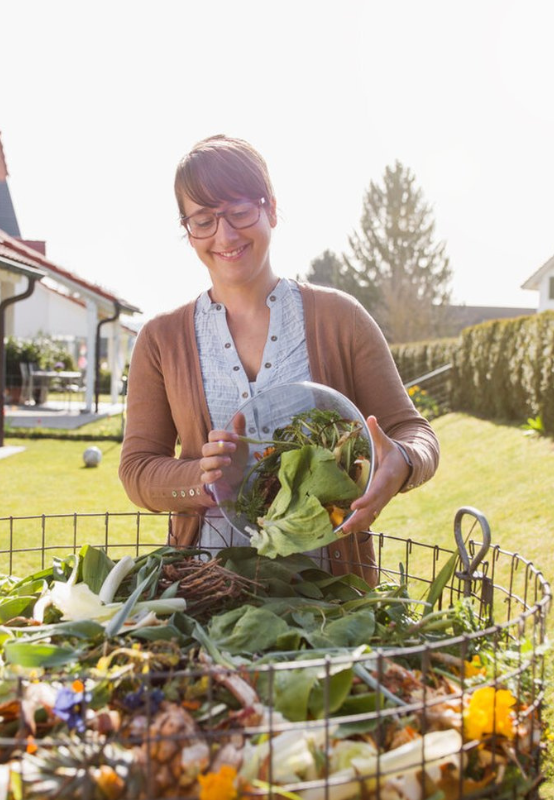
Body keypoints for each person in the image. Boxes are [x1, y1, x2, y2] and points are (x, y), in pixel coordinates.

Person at [119, 135, 439, 584]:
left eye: (239, 212)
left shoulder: (341, 318)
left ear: (270, 209)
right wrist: (204, 477)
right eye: (204, 220)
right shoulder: (161, 339)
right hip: (205, 586)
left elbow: (415, 432)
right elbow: (137, 470)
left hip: (331, 593)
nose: (225, 235)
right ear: (187, 230)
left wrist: (401, 462)